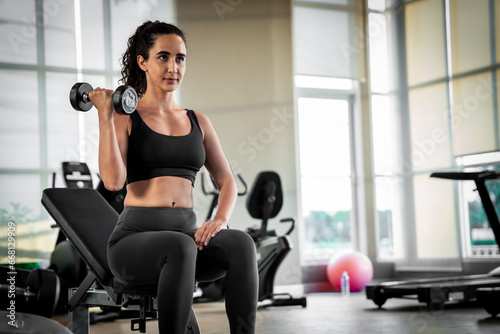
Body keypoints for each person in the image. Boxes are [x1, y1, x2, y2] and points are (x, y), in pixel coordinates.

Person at [89, 20, 258, 333]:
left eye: (180, 58)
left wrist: (219, 220)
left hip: (186, 239)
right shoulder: (127, 117)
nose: (173, 67)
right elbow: (113, 183)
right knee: (179, 247)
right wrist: (105, 116)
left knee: (241, 243)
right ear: (143, 62)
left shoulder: (198, 121)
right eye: (163, 57)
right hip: (134, 245)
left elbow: (227, 181)